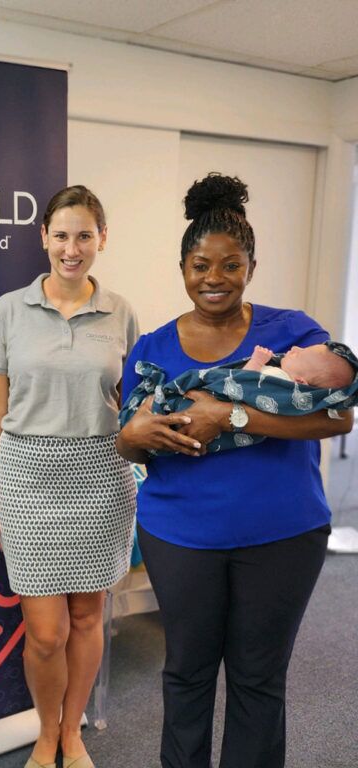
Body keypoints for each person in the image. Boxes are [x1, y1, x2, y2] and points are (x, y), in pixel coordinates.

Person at [115, 172, 353, 768]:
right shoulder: (151, 347)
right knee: (187, 675)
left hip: (283, 535)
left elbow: (336, 420)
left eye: (229, 265)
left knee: (257, 679)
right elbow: (130, 442)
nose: (213, 279)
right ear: (183, 267)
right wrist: (131, 437)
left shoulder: (293, 330)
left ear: (251, 265)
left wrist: (232, 418)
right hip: (180, 537)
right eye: (200, 265)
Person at [0, 185, 138, 768]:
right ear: (43, 237)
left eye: (84, 236)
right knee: (45, 632)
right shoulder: (8, 310)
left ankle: (73, 731)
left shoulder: (121, 312)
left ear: (101, 239)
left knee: (88, 616)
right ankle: (47, 730)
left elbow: (131, 399)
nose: (72, 248)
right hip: (29, 478)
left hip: (99, 474)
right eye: (61, 235)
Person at [120, 340, 358, 454]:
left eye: (300, 354)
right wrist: (131, 434)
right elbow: (124, 445)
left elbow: (243, 384)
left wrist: (221, 416)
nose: (294, 349)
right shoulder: (153, 341)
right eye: (201, 266)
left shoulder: (279, 379)